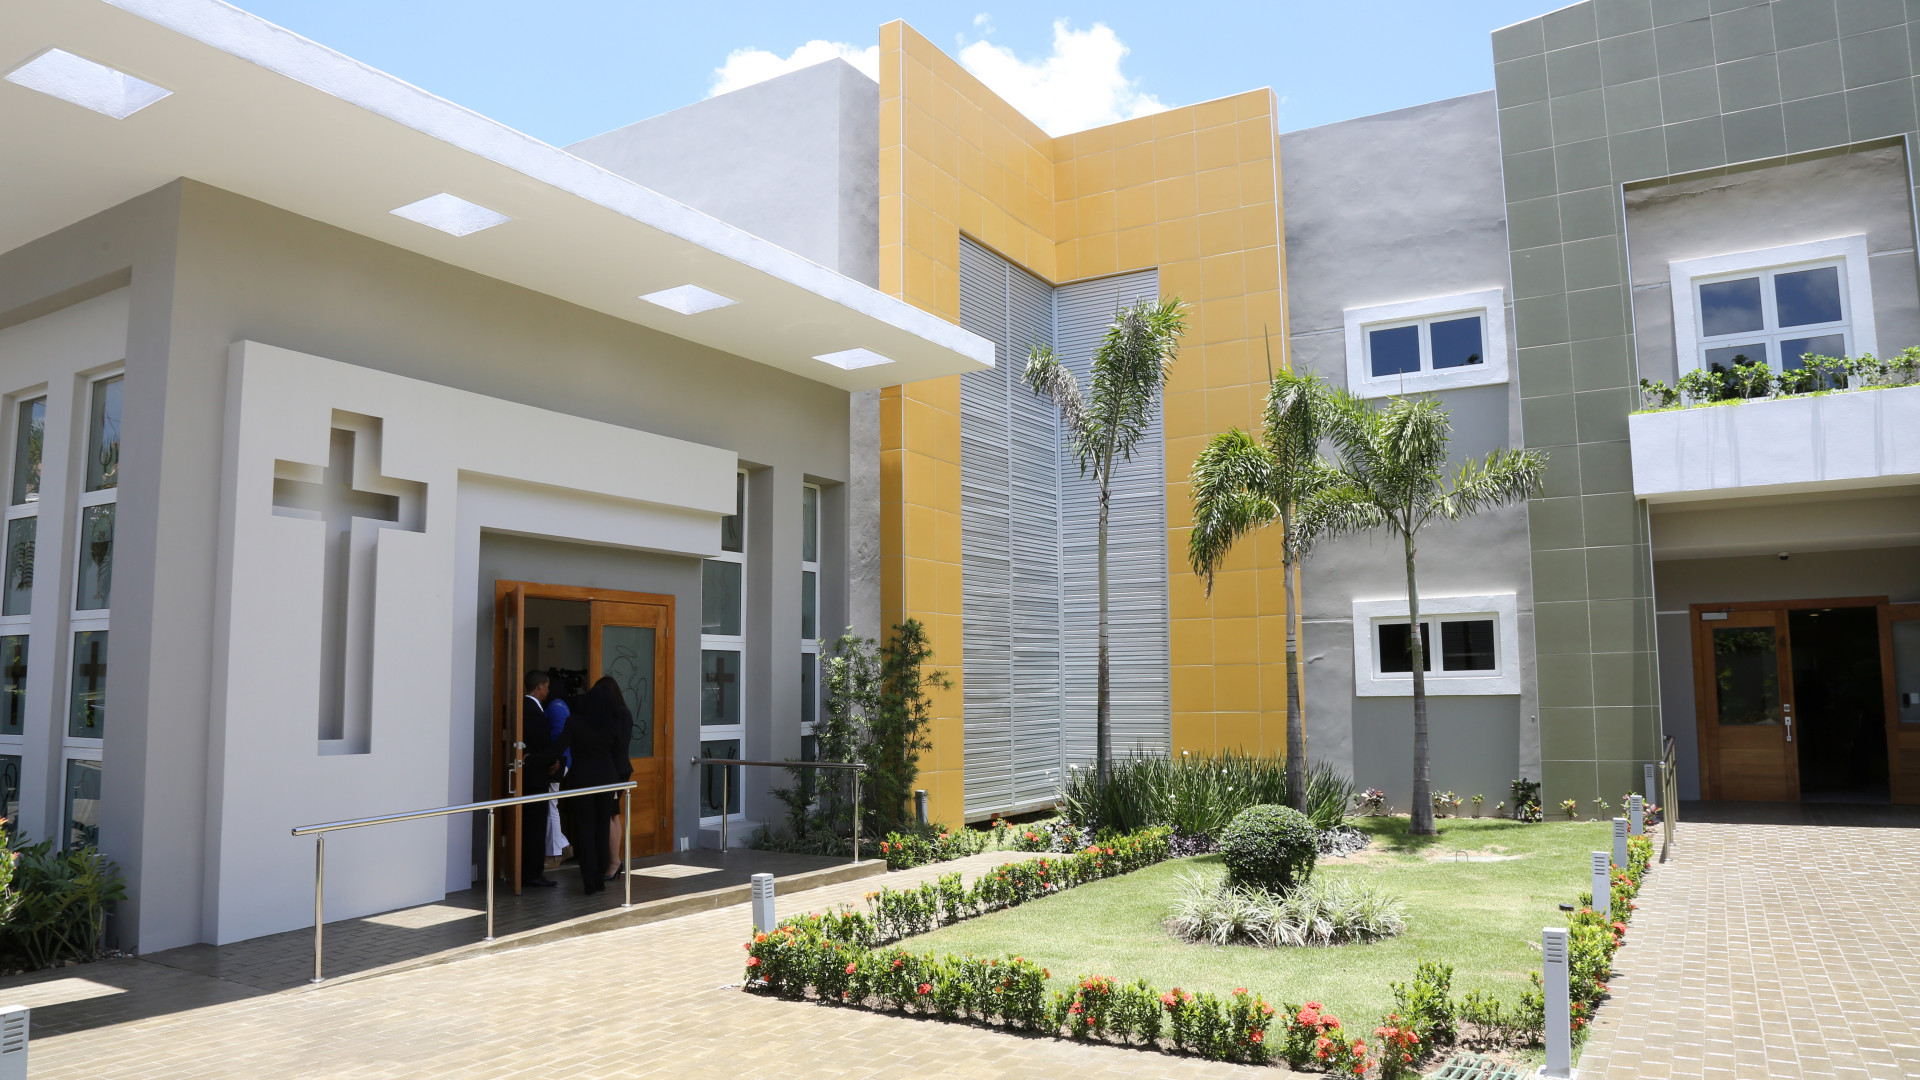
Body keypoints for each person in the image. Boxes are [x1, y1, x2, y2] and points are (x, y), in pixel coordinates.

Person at [560, 678, 624, 895]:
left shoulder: (574, 722)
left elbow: (559, 748)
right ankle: (600, 878)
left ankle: (589, 879)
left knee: (586, 829)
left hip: (582, 781)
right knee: (602, 828)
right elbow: (617, 753)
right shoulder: (612, 724)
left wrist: (538, 760)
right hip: (606, 779)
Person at [519, 670, 565, 888]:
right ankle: (532, 873)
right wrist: (552, 758)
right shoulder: (531, 709)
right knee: (535, 826)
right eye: (546, 686)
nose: (548, 691)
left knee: (535, 824)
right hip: (535, 777)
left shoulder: (530, 708)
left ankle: (531, 871)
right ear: (539, 686)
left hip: (534, 773)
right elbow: (540, 743)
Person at [597, 677, 635, 881]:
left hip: (615, 771)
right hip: (614, 770)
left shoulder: (620, 714)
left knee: (611, 814)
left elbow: (616, 743)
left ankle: (614, 862)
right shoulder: (621, 712)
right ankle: (612, 860)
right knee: (612, 814)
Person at [542, 682, 573, 865]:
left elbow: (558, 736)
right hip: (563, 760)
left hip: (557, 762)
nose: (545, 690)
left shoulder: (555, 707)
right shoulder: (562, 705)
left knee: (550, 804)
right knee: (550, 804)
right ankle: (562, 845)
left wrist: (553, 759)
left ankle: (555, 854)